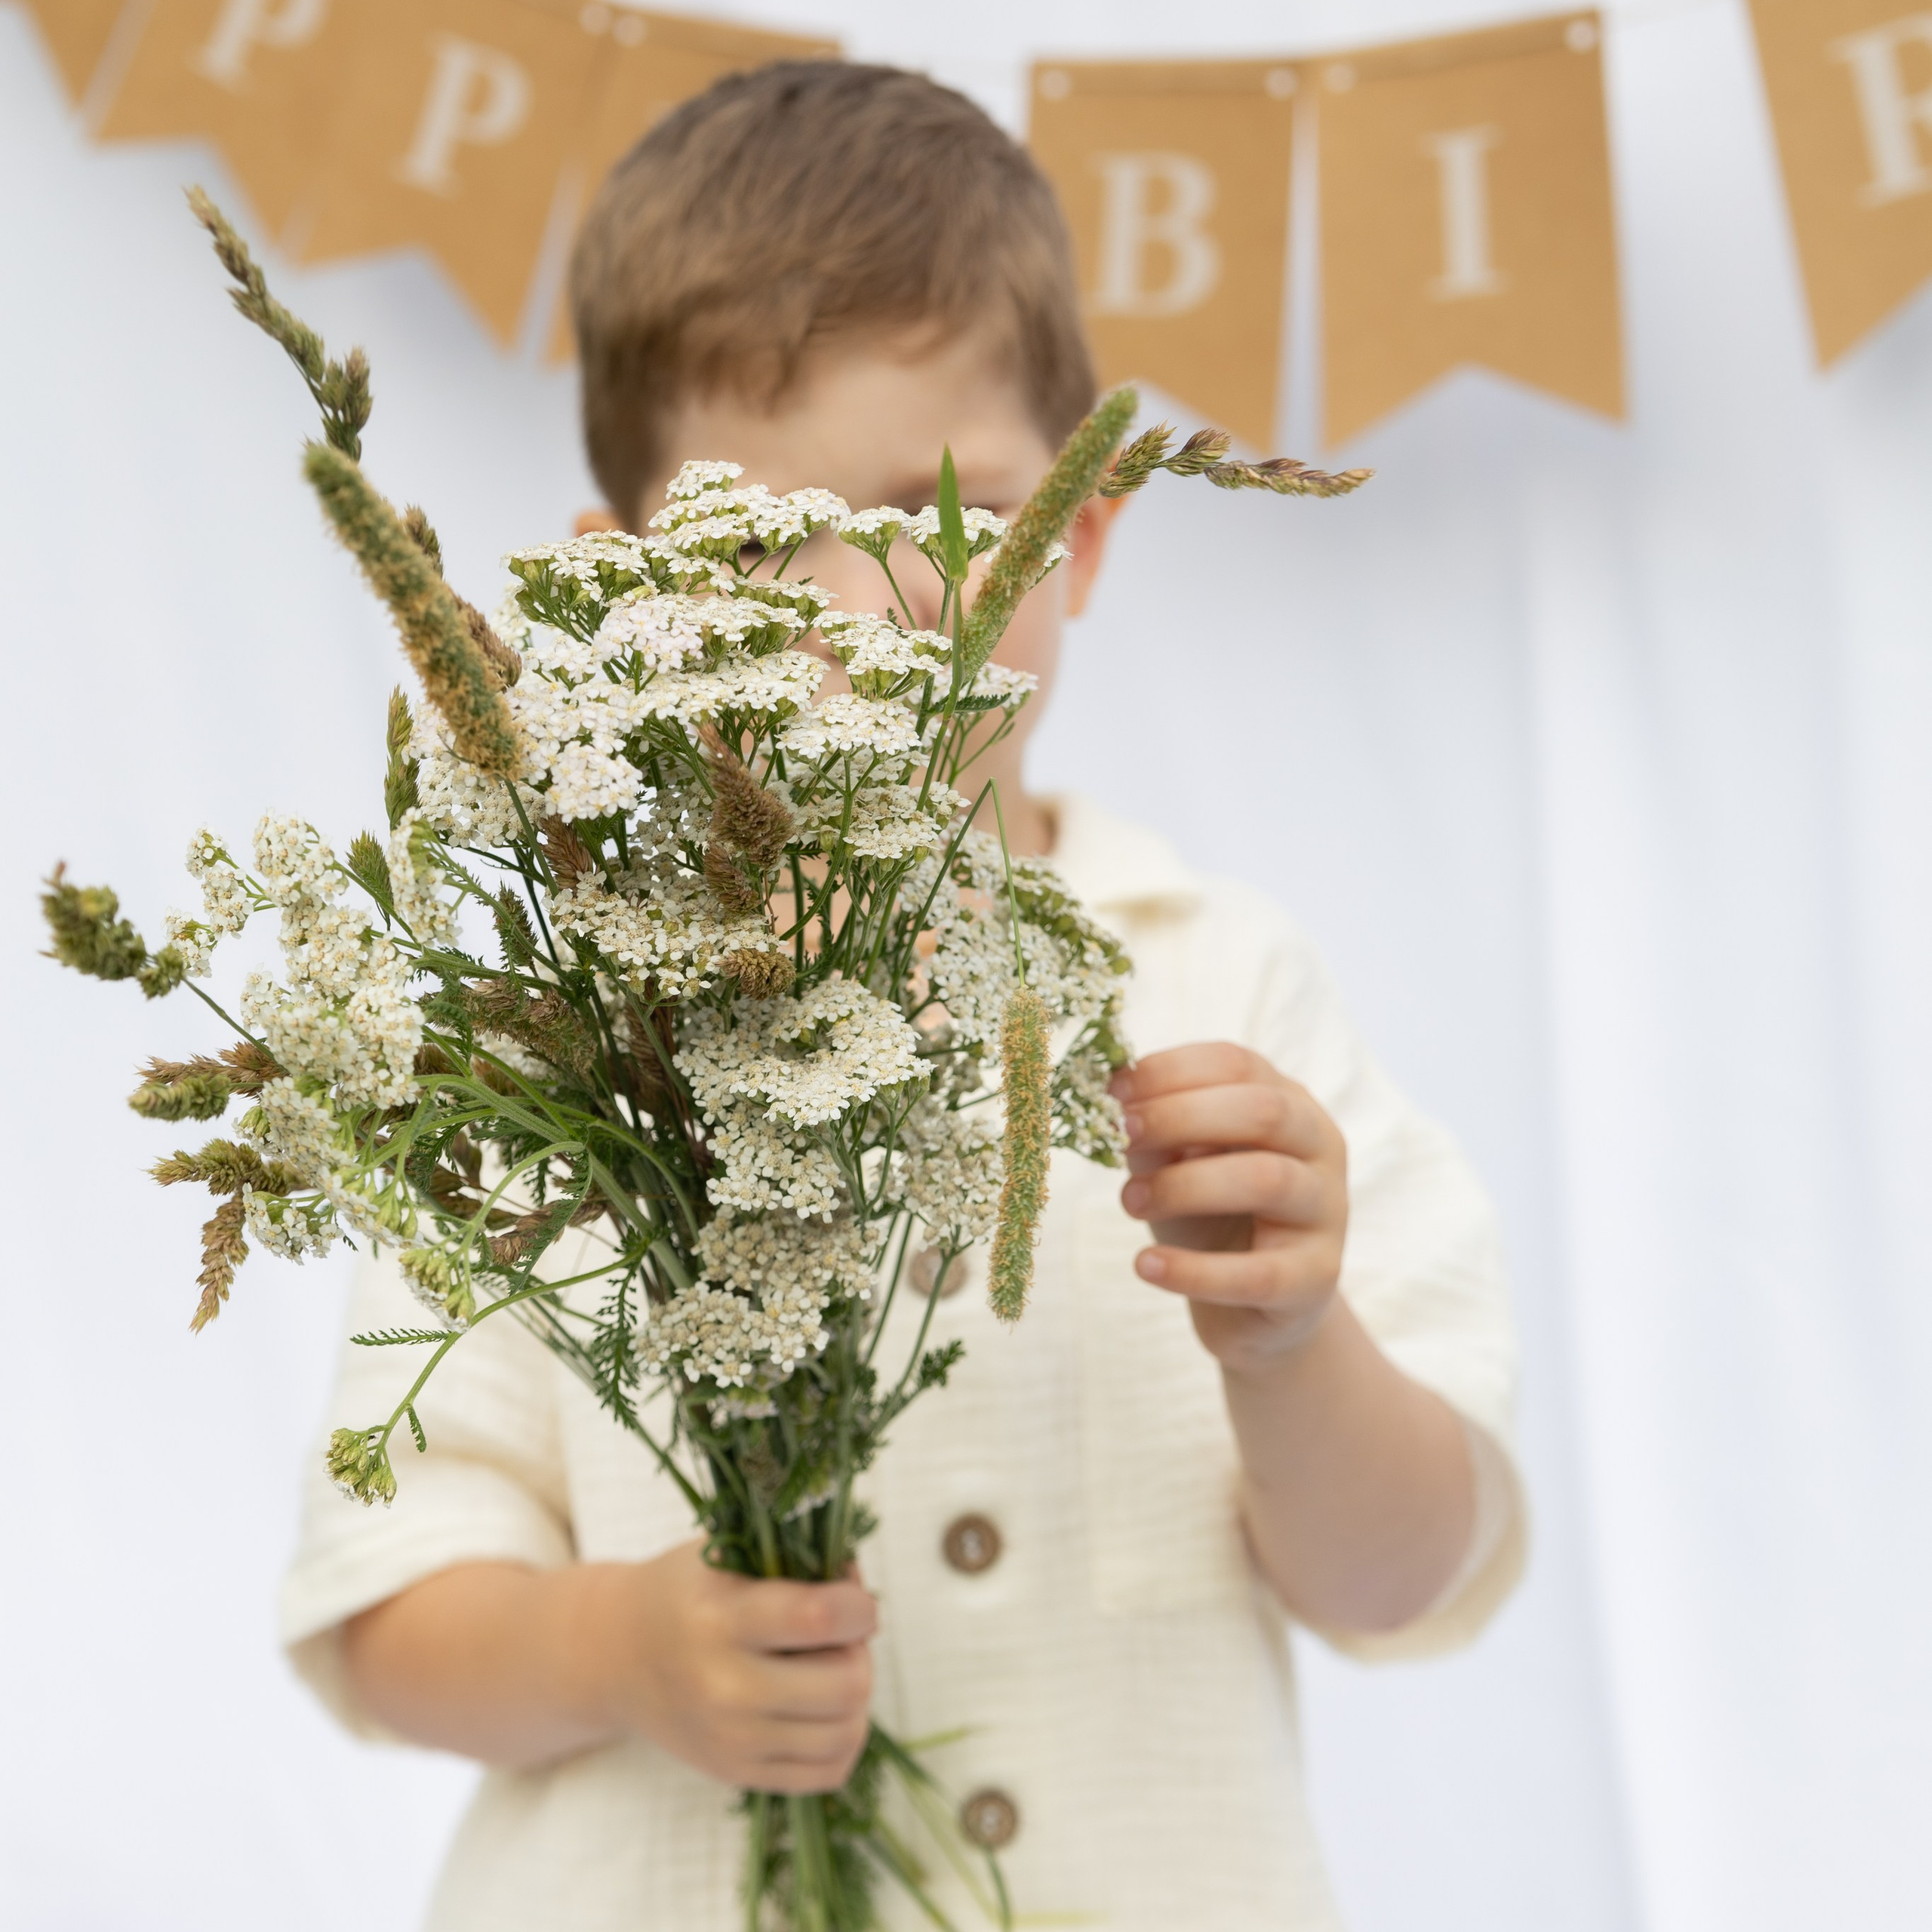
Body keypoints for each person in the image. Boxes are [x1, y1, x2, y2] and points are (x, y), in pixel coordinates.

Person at [281, 60, 1524, 1932]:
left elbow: (1405, 1576)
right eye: (764, 540)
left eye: (939, 520)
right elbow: (385, 1610)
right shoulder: (558, 1020)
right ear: (631, 595)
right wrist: (619, 1646)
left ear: (1080, 532)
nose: (856, 611)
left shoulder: (1217, 977)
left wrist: (1293, 1340)